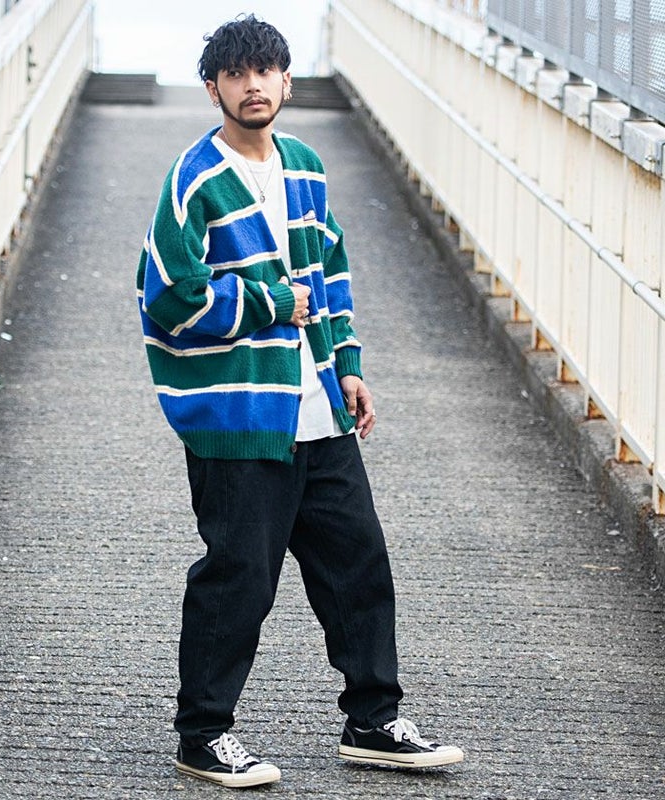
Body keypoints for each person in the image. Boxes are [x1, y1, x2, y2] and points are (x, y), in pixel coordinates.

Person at [136, 13, 464, 789]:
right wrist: (270, 303)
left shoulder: (307, 168)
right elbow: (167, 297)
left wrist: (346, 363)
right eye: (236, 74)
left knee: (359, 565)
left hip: (317, 407)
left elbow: (330, 272)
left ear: (286, 80)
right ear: (212, 88)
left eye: (266, 71)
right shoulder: (194, 180)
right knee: (239, 579)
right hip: (241, 416)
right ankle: (202, 735)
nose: (253, 86)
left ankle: (373, 721)